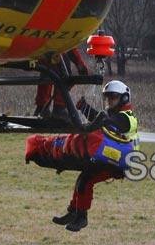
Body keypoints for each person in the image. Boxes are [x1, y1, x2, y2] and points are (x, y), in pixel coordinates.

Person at [25, 80, 139, 232]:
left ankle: (81, 218)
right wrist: (84, 109)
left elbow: (104, 122)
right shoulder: (116, 115)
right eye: (108, 97)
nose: (109, 100)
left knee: (86, 181)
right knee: (82, 180)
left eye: (113, 97)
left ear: (124, 98)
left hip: (120, 162)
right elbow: (102, 121)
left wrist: (84, 109)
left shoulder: (126, 118)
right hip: (111, 158)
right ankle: (73, 213)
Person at [33, 47, 90, 119]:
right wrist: (79, 62)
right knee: (62, 68)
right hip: (47, 50)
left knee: (47, 73)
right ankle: (59, 109)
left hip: (32, 50)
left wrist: (79, 62)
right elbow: (68, 42)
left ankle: (42, 107)